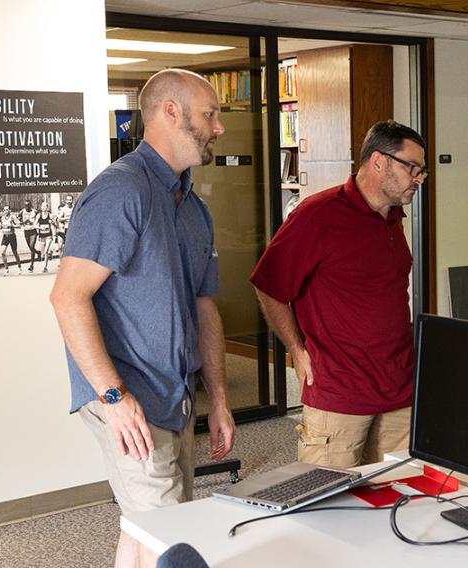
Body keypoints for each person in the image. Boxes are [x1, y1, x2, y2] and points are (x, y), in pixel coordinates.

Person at [50, 68, 234, 568]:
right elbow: (68, 297)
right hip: (126, 395)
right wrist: (113, 396)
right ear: (170, 112)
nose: (218, 128)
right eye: (210, 115)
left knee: (148, 526)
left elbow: (204, 305)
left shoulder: (193, 206)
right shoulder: (120, 192)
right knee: (172, 537)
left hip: (173, 395)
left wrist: (217, 397)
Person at [250, 120, 426, 469]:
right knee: (327, 505)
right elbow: (269, 286)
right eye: (413, 168)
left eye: (423, 171)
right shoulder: (317, 215)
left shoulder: (394, 218)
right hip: (337, 391)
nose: (419, 179)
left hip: (398, 388)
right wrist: (296, 350)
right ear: (379, 161)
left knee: (400, 497)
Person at [0, 205, 22, 275]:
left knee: (15, 253)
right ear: (3, 211)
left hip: (12, 237)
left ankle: (19, 267)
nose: (6, 211)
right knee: (2, 253)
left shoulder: (13, 217)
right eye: (5, 210)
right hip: (5, 236)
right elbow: (1, 226)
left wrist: (12, 226)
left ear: (10, 210)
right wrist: (2, 228)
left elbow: (19, 225)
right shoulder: (2, 218)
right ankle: (6, 269)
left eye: (7, 209)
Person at [34, 201, 54, 273]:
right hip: (41, 236)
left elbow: (55, 224)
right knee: (43, 253)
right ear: (41, 207)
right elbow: (34, 225)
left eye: (45, 206)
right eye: (43, 206)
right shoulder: (39, 215)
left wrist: (53, 223)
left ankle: (45, 267)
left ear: (47, 207)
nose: (44, 208)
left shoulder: (50, 215)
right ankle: (49, 253)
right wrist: (40, 228)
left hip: (49, 235)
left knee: (45, 251)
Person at [20, 199, 38, 272]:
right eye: (25, 205)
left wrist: (38, 226)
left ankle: (32, 265)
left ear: (31, 206)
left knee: (31, 246)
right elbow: (18, 219)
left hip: (33, 231)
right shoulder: (22, 211)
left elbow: (40, 218)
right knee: (31, 248)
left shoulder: (35, 211)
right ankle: (38, 253)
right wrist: (22, 222)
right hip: (26, 231)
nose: (27, 207)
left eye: (28, 205)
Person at [53, 194, 75, 258]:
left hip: (71, 229)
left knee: (70, 247)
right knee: (60, 247)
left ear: (72, 200)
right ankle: (61, 263)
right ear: (66, 200)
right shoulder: (63, 209)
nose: (69, 201)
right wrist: (65, 219)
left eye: (70, 200)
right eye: (68, 200)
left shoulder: (74, 208)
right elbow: (59, 218)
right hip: (64, 229)